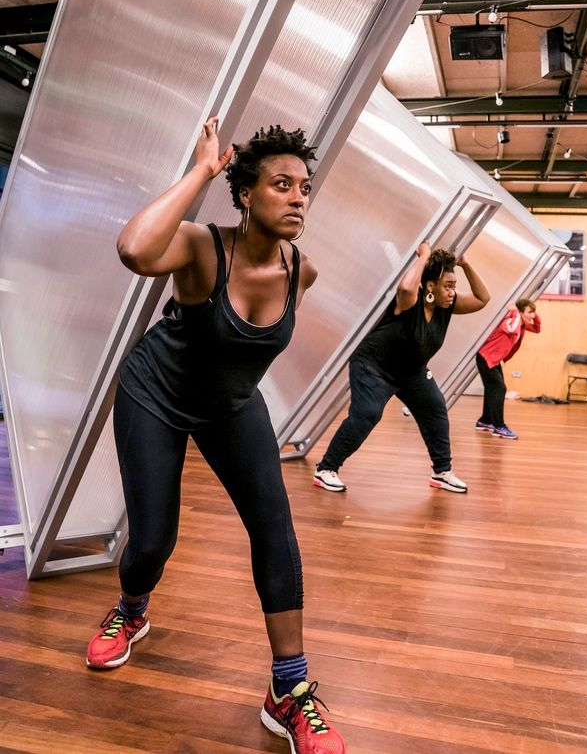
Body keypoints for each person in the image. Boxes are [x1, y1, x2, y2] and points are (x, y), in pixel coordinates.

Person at [86, 118, 346, 754]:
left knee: (276, 531)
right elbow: (135, 250)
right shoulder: (205, 247)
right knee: (153, 540)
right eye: (280, 184)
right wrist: (202, 170)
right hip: (156, 394)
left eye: (304, 187)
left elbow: (242, 356)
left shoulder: (301, 271)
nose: (297, 197)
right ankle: (131, 607)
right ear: (245, 195)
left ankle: (289, 689)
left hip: (231, 405)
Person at [313, 241, 490, 495]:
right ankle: (326, 469)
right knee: (368, 414)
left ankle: (442, 472)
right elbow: (406, 287)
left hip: (411, 372)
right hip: (373, 366)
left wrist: (465, 264)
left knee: (435, 408)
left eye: (454, 287)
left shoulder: (446, 308)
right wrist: (424, 256)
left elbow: (483, 298)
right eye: (448, 286)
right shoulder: (410, 301)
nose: (452, 292)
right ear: (430, 286)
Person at [475, 298, 541, 439]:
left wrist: (534, 314)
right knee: (499, 388)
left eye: (533, 312)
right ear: (521, 312)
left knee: (492, 388)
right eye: (530, 312)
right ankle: (499, 427)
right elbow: (511, 329)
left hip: (493, 359)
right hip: (486, 356)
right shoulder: (510, 321)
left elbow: (537, 328)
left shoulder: (522, 324)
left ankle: (485, 421)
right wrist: (515, 312)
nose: (533, 315)